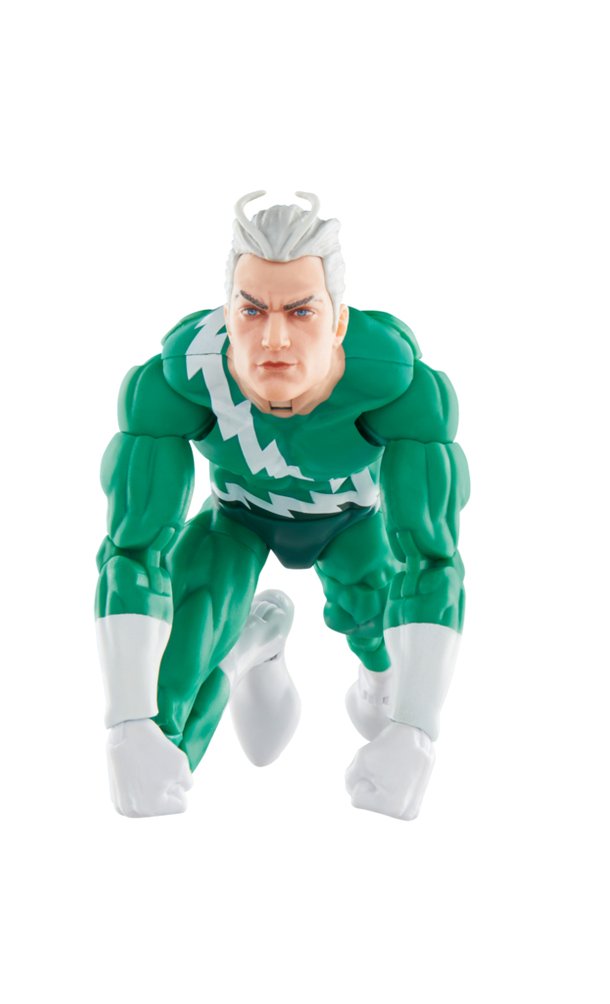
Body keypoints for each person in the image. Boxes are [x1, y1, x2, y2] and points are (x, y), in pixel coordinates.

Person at [95, 191, 469, 820]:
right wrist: (127, 723)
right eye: (252, 310)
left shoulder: (394, 383)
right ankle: (247, 649)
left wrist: (416, 732)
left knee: (385, 695)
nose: (273, 339)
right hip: (235, 520)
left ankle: (344, 670)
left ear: (338, 322)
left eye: (300, 311)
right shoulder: (183, 374)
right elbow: (130, 551)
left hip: (353, 527)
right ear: (228, 312)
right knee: (161, 727)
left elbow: (434, 561)